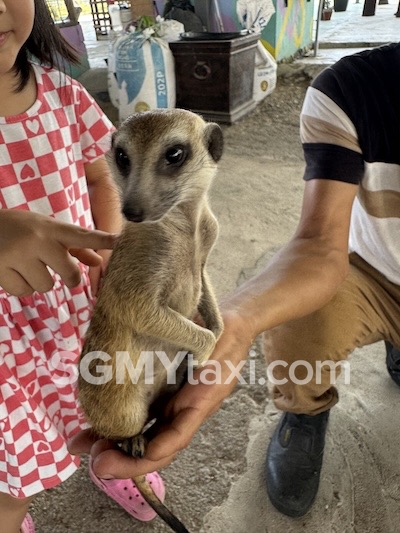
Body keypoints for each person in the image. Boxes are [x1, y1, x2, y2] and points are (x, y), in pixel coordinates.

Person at [70, 41, 400, 522]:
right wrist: (230, 329)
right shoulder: (355, 87)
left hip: (162, 348)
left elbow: (190, 282)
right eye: (126, 164)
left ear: (211, 151)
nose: (138, 195)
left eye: (173, 158)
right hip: (371, 270)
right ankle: (304, 411)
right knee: (295, 319)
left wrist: (204, 335)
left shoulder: (204, 226)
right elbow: (318, 245)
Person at [0, 2, 167, 532]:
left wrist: (113, 248)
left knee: (111, 406)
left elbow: (101, 174)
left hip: (79, 314)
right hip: (6, 350)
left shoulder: (63, 93)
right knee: (10, 481)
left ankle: (114, 465)